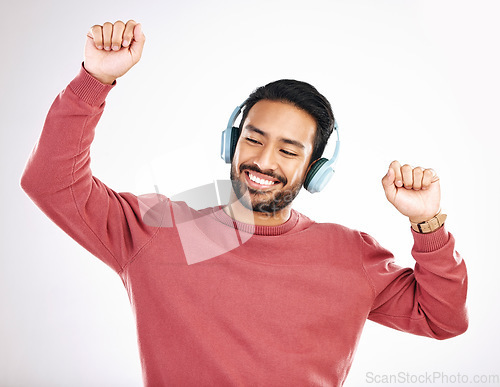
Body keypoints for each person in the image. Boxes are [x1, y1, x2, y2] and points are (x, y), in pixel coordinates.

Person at [20, 20, 468, 386]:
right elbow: (51, 182)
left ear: (315, 169)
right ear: (231, 143)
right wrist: (93, 81)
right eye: (253, 139)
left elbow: (443, 319)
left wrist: (428, 223)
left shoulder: (351, 255)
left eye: (290, 151)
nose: (264, 161)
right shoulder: (159, 230)